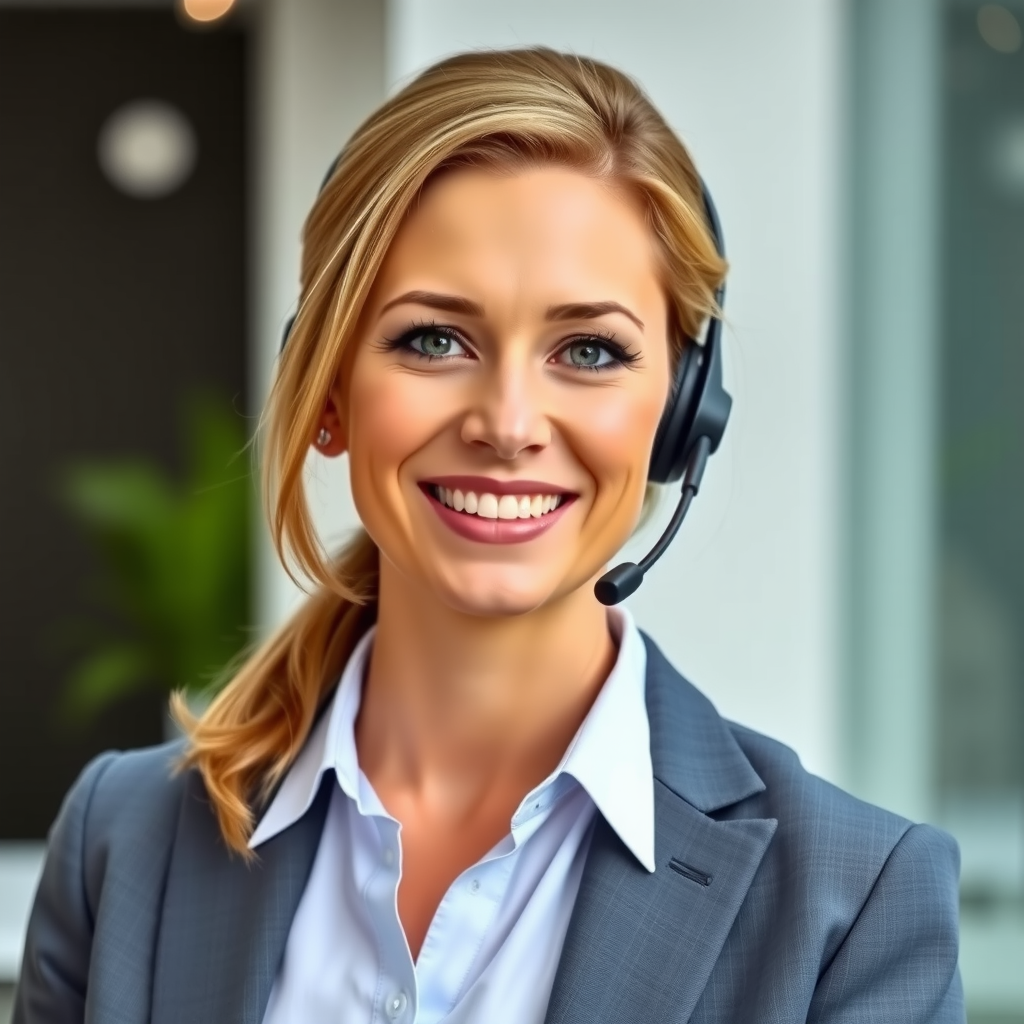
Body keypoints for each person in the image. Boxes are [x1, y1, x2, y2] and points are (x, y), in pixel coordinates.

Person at [15, 48, 963, 1024]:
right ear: (328, 389)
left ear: (681, 417)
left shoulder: (852, 911)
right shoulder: (121, 844)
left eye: (588, 350)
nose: (507, 422)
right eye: (433, 339)